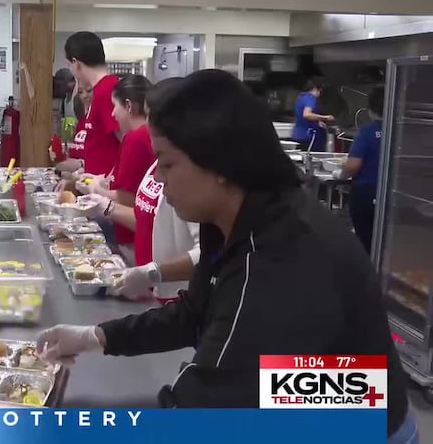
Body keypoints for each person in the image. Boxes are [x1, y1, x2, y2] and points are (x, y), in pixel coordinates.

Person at [36, 69, 415, 443]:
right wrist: (94, 336)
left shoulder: (283, 258)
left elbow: (194, 411)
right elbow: (193, 313)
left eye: (167, 164)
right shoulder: (233, 216)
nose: (159, 179)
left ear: (217, 164)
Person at [86, 77, 199, 302]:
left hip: (181, 300)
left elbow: (209, 253)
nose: (147, 125)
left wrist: (152, 273)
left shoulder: (197, 176)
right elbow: (146, 218)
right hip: (155, 295)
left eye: (151, 116)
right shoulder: (157, 163)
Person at [77, 74, 156, 248]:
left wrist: (95, 190)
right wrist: (99, 181)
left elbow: (127, 199)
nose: (113, 114)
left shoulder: (135, 139)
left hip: (129, 237)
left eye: (115, 107)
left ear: (128, 106)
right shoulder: (144, 136)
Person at [335, 87, 385, 252]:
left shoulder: (367, 132)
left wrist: (342, 173)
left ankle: (368, 273)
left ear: (370, 109)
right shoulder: (399, 130)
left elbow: (353, 166)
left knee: (366, 241)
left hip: (366, 193)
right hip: (391, 193)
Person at [65, 31, 121, 177]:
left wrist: (109, 180)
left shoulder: (106, 90)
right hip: (95, 184)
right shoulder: (99, 90)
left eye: (70, 65)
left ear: (76, 63)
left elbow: (126, 141)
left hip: (106, 188)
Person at [291, 76, 335, 152]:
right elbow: (307, 115)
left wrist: (317, 121)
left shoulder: (301, 97)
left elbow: (302, 116)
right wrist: (325, 117)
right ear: (318, 89)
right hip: (309, 137)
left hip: (297, 135)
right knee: (312, 161)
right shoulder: (311, 98)